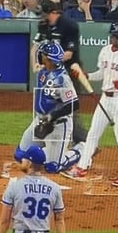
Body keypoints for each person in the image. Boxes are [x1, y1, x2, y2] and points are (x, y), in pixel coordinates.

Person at [61, 22, 118, 187]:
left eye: (115, 36)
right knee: (93, 133)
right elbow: (102, 73)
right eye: (111, 35)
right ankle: (81, 167)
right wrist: (87, 76)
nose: (112, 38)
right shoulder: (105, 51)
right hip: (105, 99)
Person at [14, 40, 85, 175]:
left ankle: (82, 149)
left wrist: (52, 116)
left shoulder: (62, 80)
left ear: (48, 59)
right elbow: (37, 61)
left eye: (42, 54)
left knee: (53, 167)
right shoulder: (43, 71)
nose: (39, 56)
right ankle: (49, 152)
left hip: (58, 126)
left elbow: (74, 104)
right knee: (20, 155)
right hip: (40, 120)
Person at [35, 0, 89, 145]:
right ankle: (47, 142)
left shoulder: (69, 25)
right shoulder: (43, 26)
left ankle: (84, 143)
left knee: (69, 108)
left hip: (69, 73)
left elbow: (68, 54)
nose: (42, 18)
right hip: (50, 72)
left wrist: (51, 60)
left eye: (45, 14)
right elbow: (38, 45)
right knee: (47, 106)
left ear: (54, 13)